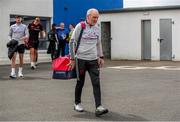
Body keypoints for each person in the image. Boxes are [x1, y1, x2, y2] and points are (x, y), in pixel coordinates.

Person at [69, 8, 108, 116]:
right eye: (94, 17)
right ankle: (77, 103)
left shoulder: (97, 28)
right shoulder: (80, 26)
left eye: (97, 17)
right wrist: (72, 59)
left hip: (93, 60)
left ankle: (99, 106)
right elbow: (72, 43)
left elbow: (98, 43)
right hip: (80, 60)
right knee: (80, 82)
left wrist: (101, 56)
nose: (96, 19)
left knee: (96, 83)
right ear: (88, 17)